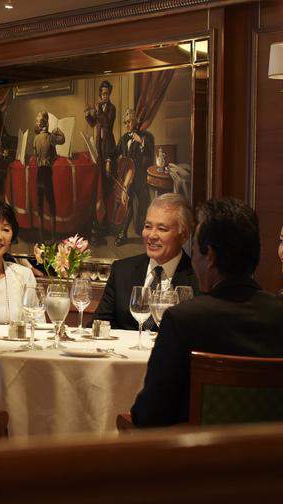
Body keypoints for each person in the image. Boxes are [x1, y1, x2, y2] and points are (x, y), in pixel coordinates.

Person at [131, 197, 283, 427]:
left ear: (210, 257)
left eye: (195, 249)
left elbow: (149, 415)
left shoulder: (183, 319)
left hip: (197, 448)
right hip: (269, 447)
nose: (193, 258)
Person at [94, 193, 199, 330]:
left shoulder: (198, 279)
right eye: (148, 226)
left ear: (184, 235)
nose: (152, 235)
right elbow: (98, 325)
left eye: (162, 229)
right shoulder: (121, 271)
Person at [114, 108, 155, 246]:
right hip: (128, 177)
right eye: (125, 122)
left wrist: (141, 142)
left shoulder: (146, 136)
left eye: (130, 121)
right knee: (128, 202)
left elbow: (150, 157)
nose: (127, 124)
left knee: (143, 204)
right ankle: (122, 233)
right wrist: (108, 160)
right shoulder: (124, 138)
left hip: (140, 177)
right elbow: (116, 152)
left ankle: (144, 232)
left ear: (135, 121)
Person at [85, 80, 117, 240]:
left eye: (107, 93)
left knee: (106, 190)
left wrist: (97, 110)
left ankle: (106, 226)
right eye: (103, 94)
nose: (105, 96)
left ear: (109, 94)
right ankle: (99, 225)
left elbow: (107, 123)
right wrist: (88, 115)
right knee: (99, 188)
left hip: (108, 151)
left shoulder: (112, 108)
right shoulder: (100, 108)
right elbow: (94, 123)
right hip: (99, 149)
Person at [33, 110, 65, 242]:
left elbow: (36, 156)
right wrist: (58, 130)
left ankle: (41, 239)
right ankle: (52, 238)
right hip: (47, 174)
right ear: (47, 123)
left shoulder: (36, 138)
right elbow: (62, 140)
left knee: (40, 207)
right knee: (51, 206)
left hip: (39, 174)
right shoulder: (51, 137)